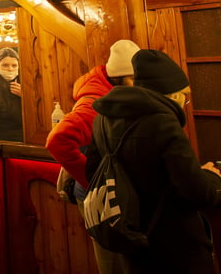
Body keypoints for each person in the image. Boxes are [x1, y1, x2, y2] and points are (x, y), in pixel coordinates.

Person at [85, 49, 221, 274]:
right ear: (171, 94)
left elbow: (92, 171)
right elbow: (198, 192)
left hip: (131, 237)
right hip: (176, 245)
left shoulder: (102, 119)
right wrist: (211, 175)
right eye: (184, 95)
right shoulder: (163, 124)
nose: (185, 102)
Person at [46, 39, 140, 274]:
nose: (140, 85)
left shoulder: (110, 96)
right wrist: (90, 176)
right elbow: (57, 141)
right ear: (119, 78)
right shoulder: (95, 104)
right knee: (114, 263)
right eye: (135, 78)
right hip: (99, 195)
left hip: (107, 192)